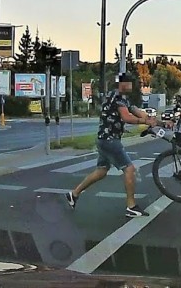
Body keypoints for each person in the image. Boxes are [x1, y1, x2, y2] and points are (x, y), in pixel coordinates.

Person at [66, 72, 169, 218]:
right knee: (129, 169)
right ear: (122, 84)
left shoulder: (120, 98)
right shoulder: (118, 97)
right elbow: (127, 117)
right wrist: (144, 122)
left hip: (104, 139)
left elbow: (139, 113)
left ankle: (74, 194)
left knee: (101, 170)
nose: (131, 86)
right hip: (109, 140)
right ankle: (131, 206)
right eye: (129, 83)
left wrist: (161, 123)